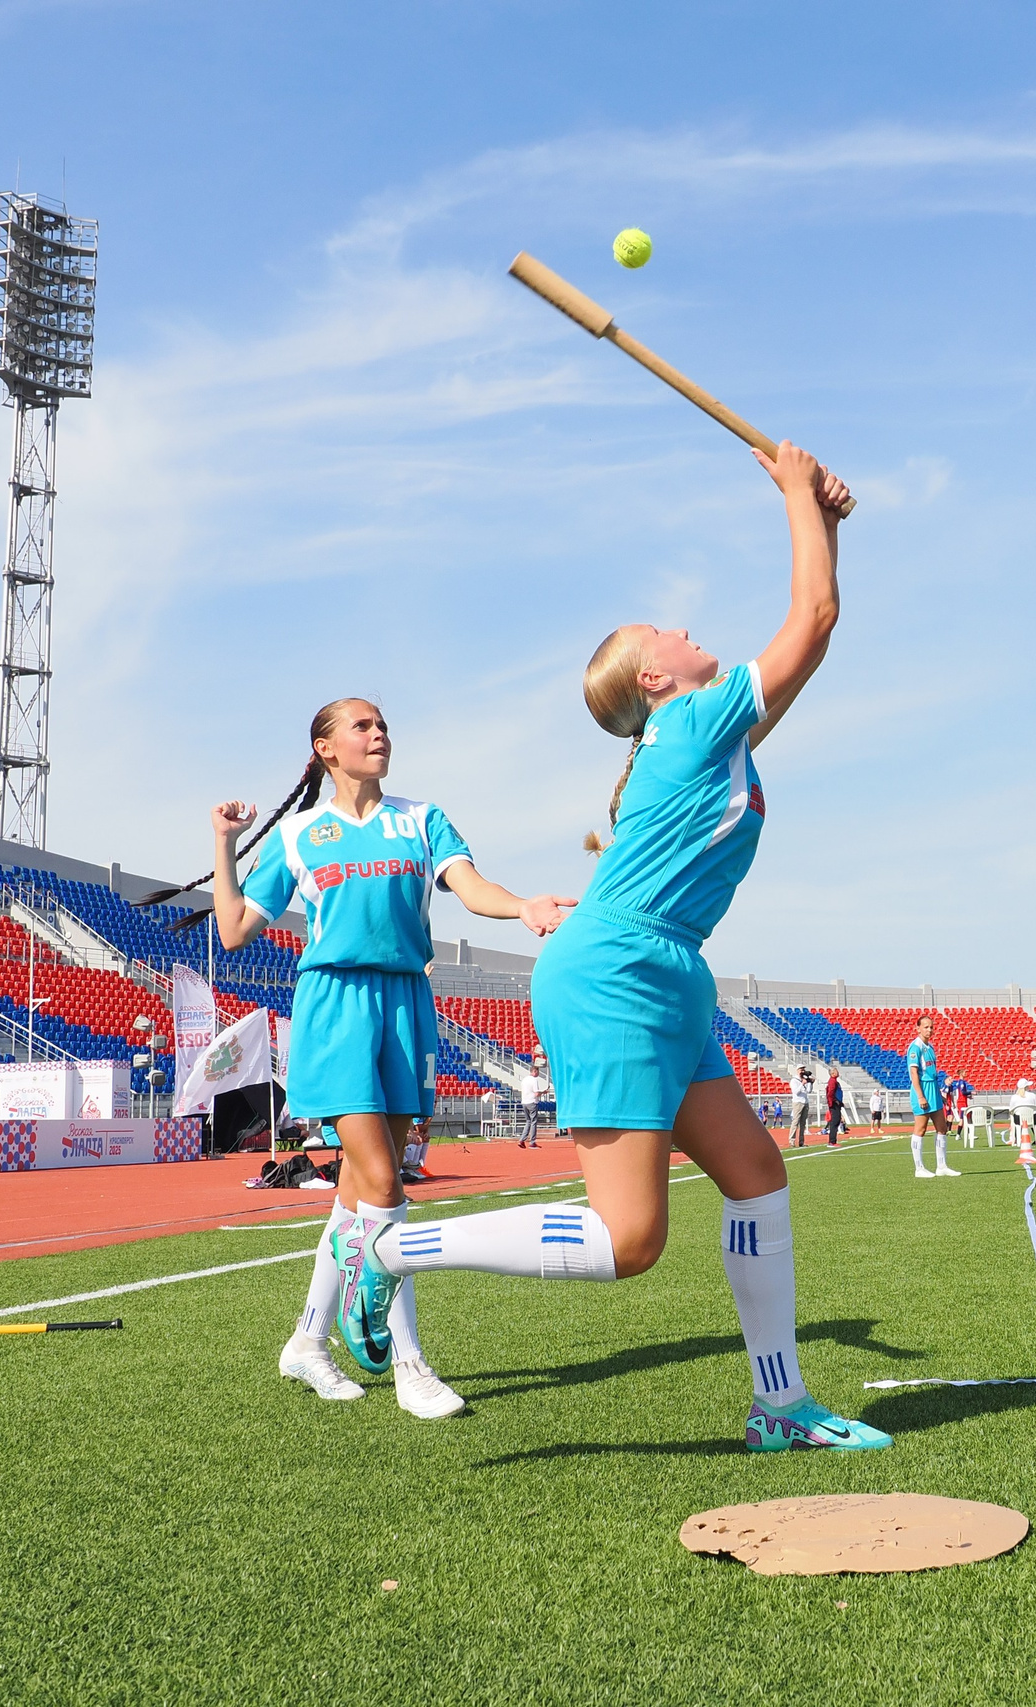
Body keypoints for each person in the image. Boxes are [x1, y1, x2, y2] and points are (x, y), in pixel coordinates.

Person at [334, 442, 885, 1453]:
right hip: (616, 971)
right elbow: (811, 621)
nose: (682, 627)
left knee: (758, 1176)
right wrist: (797, 496)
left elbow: (815, 620)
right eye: (663, 629)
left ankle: (780, 1407)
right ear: (654, 674)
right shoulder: (688, 725)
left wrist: (826, 524)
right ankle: (396, 1248)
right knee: (628, 1241)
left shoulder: (699, 735)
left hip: (666, 971)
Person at [200, 696, 578, 1422]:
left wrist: (523, 906)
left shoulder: (423, 819)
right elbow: (234, 927)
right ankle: (408, 1362)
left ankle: (307, 1341)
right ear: (325, 748)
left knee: (358, 1196)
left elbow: (471, 887)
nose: (379, 735)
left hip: (407, 1003)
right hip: (334, 1007)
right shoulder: (300, 833)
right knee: (382, 1183)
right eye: (362, 726)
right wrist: (223, 843)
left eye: (383, 726)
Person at [908, 1013, 957, 1179]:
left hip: (933, 1090)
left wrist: (938, 1094)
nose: (929, 1030)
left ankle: (941, 1166)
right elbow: (914, 1073)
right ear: (918, 1028)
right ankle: (919, 1168)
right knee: (920, 1129)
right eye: (926, 1027)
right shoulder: (915, 1048)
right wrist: (921, 1096)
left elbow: (932, 1072)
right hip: (922, 1090)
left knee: (942, 1128)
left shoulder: (930, 1047)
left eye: (931, 1027)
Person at [787, 1065, 815, 1148]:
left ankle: (801, 1142)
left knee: (803, 1123)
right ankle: (792, 1141)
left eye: (803, 1069)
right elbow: (796, 1092)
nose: (802, 1071)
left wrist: (810, 1083)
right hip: (797, 1102)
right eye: (801, 1069)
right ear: (797, 1070)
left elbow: (809, 1091)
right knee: (795, 1122)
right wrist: (802, 1084)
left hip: (805, 1102)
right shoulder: (794, 1080)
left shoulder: (804, 1079)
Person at [823, 1068, 846, 1145]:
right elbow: (830, 1093)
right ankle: (832, 1141)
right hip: (834, 1104)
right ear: (832, 1073)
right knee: (834, 1122)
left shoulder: (835, 1081)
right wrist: (833, 1101)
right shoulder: (832, 1081)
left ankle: (833, 1140)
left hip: (836, 1103)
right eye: (836, 1071)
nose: (838, 1072)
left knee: (836, 1121)